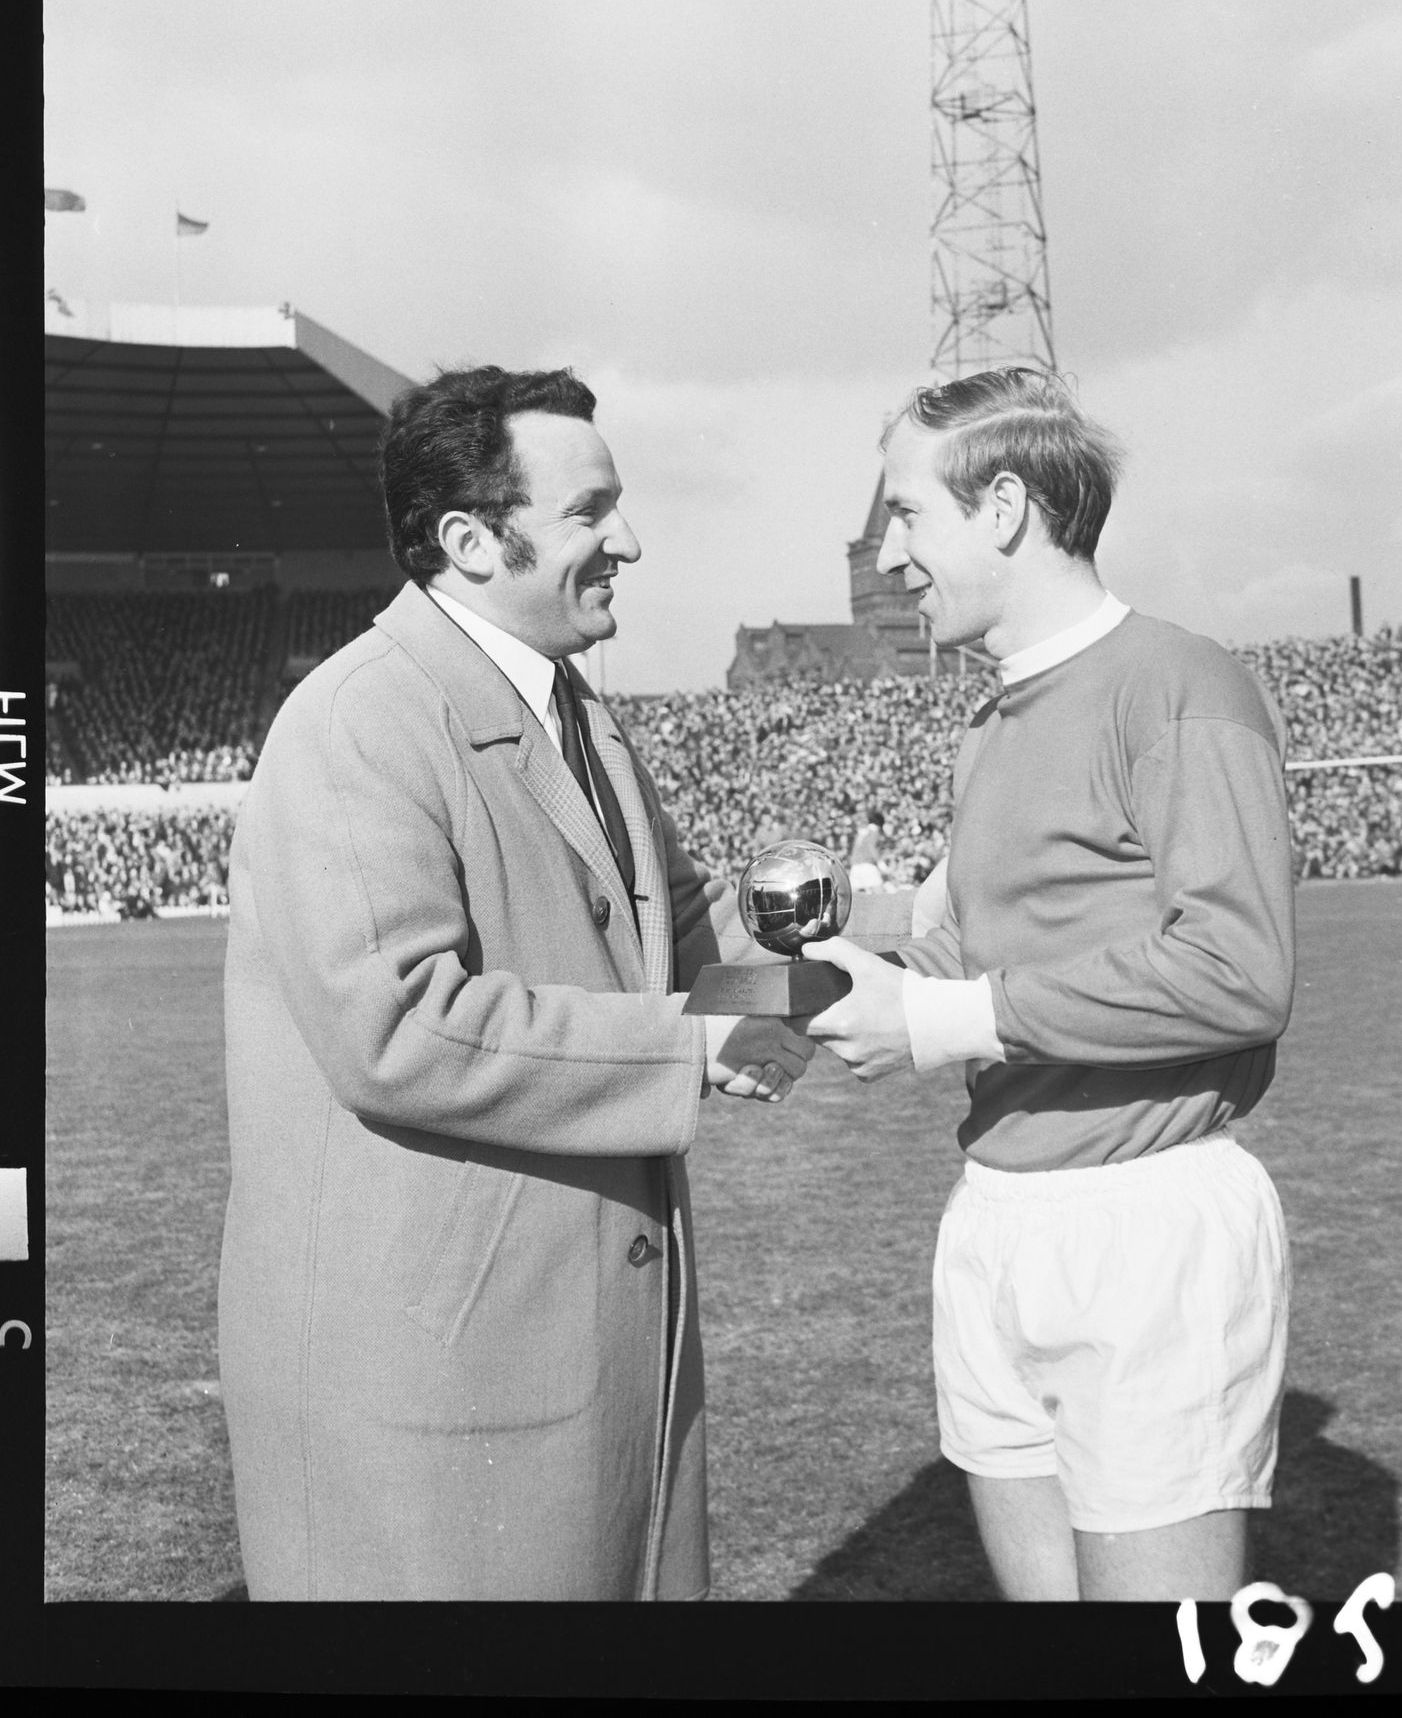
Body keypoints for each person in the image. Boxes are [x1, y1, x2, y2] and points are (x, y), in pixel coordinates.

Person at [218, 366, 813, 1600]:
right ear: (472, 541)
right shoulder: (357, 721)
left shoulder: (578, 712)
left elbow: (685, 940)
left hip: (582, 1349)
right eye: (592, 509)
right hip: (438, 1380)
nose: (628, 541)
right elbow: (399, 1023)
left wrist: (830, 991)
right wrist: (693, 1045)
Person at [805, 367, 1296, 1602]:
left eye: (908, 511)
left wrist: (939, 1015)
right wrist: (823, 994)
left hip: (1145, 1226)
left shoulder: (1183, 682)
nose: (887, 547)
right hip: (993, 1217)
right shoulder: (989, 725)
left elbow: (1237, 973)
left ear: (1007, 505)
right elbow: (963, 954)